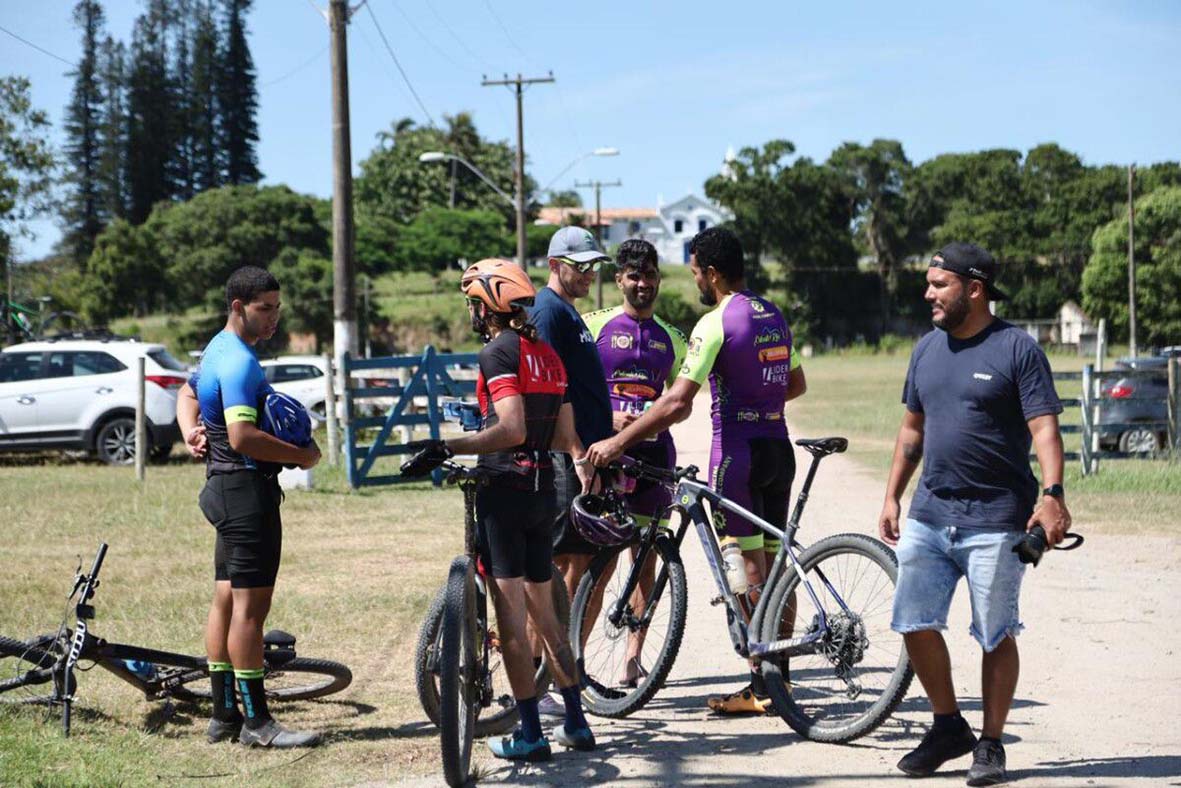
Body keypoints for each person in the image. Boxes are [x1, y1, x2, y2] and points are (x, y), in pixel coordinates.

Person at [586, 227, 807, 714]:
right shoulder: (773, 314)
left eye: (694, 273)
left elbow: (678, 401)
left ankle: (763, 684)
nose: (694, 282)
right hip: (778, 445)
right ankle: (780, 682)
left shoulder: (714, 322)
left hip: (739, 453)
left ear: (711, 272)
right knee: (777, 568)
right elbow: (795, 384)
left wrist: (621, 439)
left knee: (747, 569)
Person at [879, 242, 1070, 786]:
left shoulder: (1017, 349)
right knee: (913, 621)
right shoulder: (925, 350)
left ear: (975, 289)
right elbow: (912, 428)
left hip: (997, 519)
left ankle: (990, 743)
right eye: (928, 284)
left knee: (994, 632)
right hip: (930, 513)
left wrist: (1052, 493)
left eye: (939, 285)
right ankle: (947, 727)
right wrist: (893, 494)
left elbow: (1044, 429)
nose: (928, 294)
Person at [401, 258, 596, 760]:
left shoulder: (497, 352)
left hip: (505, 492)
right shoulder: (547, 354)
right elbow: (564, 435)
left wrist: (447, 446)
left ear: (487, 304)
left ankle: (530, 734)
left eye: (472, 300)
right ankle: (576, 723)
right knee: (548, 618)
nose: (470, 309)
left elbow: (508, 428)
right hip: (543, 491)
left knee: (511, 620)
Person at [176, 266, 322, 748]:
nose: (274, 317)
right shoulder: (239, 362)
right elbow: (242, 437)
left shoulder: (215, 349)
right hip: (244, 493)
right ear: (238, 307)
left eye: (278, 307)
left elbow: (187, 392)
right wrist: (303, 456)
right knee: (250, 611)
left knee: (225, 598)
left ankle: (223, 715)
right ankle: (257, 723)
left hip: (220, 487)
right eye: (265, 308)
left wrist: (190, 430)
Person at [581, 239, 686, 686]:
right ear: (618, 279)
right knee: (599, 562)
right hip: (605, 453)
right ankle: (575, 660)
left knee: (645, 560)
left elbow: (685, 395)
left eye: (649, 276)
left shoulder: (673, 337)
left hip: (654, 456)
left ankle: (632, 657)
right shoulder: (593, 326)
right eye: (633, 276)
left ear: (658, 279)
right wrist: (607, 417)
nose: (642, 284)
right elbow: (570, 389)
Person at [528, 228, 614, 615]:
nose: (588, 274)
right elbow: (548, 387)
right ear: (553, 265)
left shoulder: (567, 311)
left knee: (586, 562)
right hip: (569, 460)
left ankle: (563, 665)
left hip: (587, 457)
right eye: (580, 266)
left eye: (593, 266)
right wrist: (578, 455)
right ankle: (544, 670)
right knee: (567, 565)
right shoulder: (547, 310)